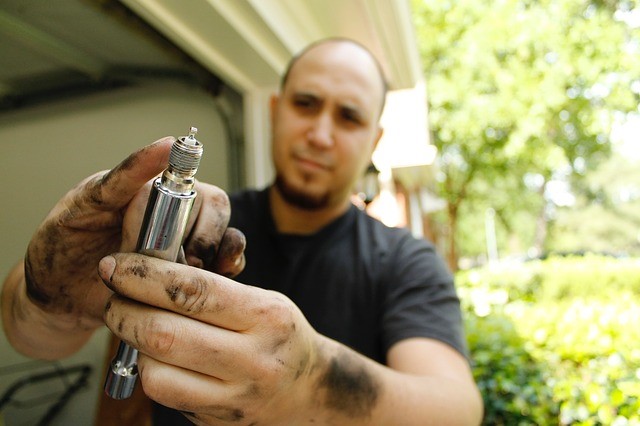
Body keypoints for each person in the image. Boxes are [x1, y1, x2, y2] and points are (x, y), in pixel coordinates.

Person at [1, 38, 483, 425]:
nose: (320, 134)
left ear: (374, 139)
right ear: (275, 109)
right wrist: (50, 300)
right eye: (306, 103)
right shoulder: (190, 229)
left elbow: (456, 410)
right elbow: (31, 338)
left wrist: (311, 382)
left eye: (349, 116)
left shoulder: (406, 262)